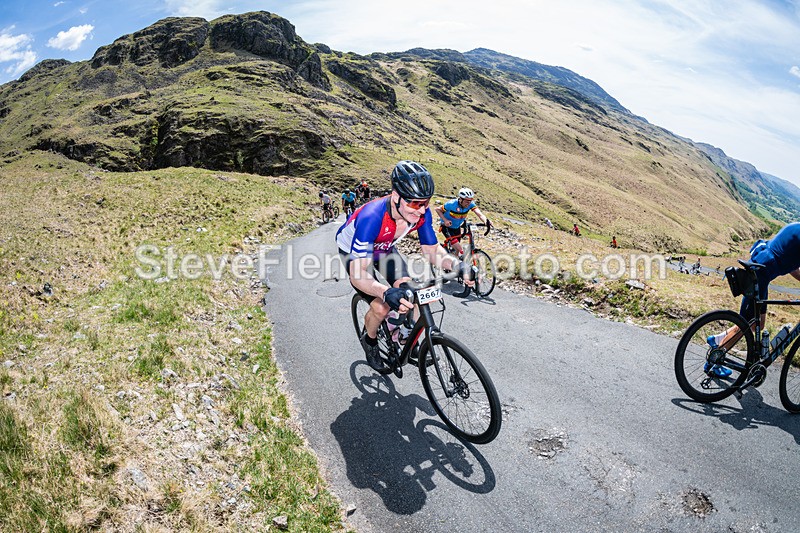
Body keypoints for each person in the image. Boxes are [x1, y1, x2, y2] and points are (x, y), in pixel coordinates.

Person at [336, 160, 473, 371]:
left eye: (426, 203)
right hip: (354, 253)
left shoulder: (420, 212)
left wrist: (458, 266)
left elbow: (432, 251)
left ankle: (408, 335)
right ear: (396, 196)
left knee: (414, 291)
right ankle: (370, 341)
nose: (421, 210)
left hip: (384, 248)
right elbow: (358, 275)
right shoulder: (372, 217)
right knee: (381, 307)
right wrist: (385, 291)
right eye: (415, 203)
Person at [707, 223, 800, 377]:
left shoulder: (795, 227)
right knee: (748, 323)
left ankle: (718, 339)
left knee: (757, 323)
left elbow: (791, 265)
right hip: (761, 273)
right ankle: (714, 359)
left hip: (761, 268)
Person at [434, 187, 492, 258]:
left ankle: (452, 266)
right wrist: (445, 220)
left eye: (470, 200)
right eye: (467, 201)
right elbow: (437, 209)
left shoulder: (471, 204)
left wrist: (486, 221)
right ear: (461, 199)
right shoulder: (451, 204)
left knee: (456, 251)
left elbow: (479, 214)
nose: (469, 203)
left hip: (457, 228)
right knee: (459, 249)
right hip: (446, 227)